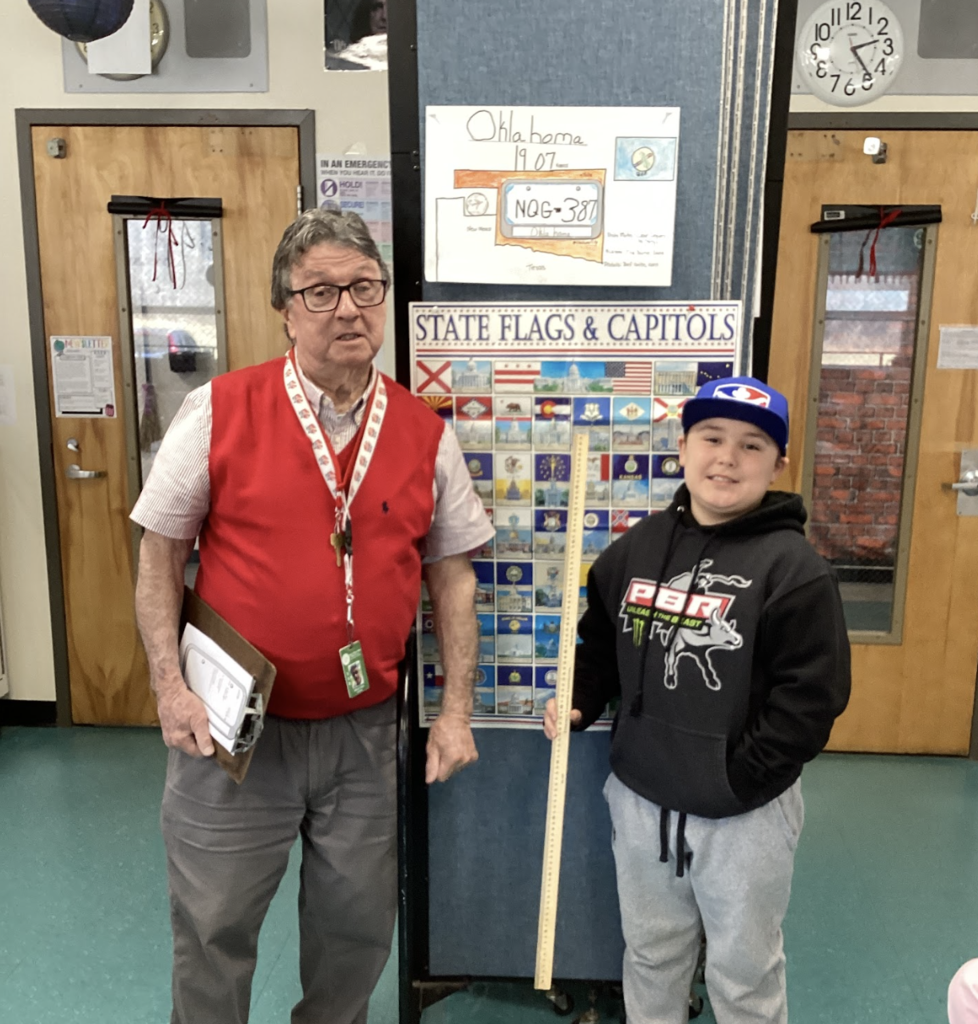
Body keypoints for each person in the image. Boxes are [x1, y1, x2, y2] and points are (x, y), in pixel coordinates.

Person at [132, 208, 493, 1024]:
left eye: (365, 288)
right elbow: (158, 554)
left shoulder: (422, 431)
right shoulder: (220, 411)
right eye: (321, 291)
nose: (348, 309)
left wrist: (455, 712)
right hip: (231, 732)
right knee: (213, 926)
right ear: (286, 308)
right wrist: (168, 688)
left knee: (355, 936)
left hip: (365, 735)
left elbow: (453, 577)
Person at [544, 376, 851, 1024]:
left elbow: (812, 700)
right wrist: (579, 698)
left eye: (750, 446)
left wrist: (738, 777)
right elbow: (599, 642)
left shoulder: (795, 571)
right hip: (640, 799)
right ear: (683, 446)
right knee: (653, 955)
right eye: (711, 438)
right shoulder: (637, 550)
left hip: (743, 818)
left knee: (744, 972)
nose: (727, 459)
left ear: (778, 462)